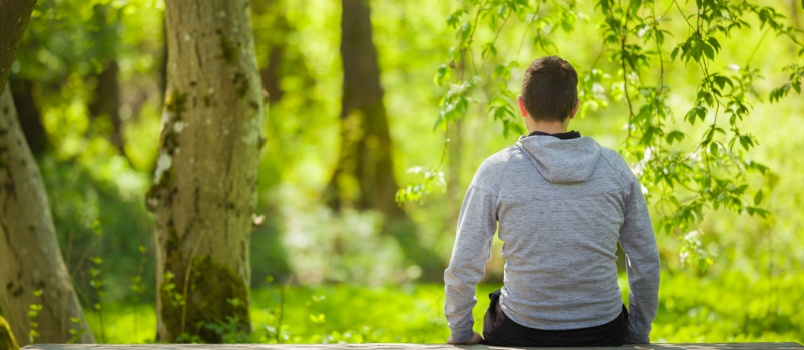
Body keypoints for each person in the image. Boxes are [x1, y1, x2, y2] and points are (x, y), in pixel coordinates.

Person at [444, 55, 660, 347]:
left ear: (521, 105)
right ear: (575, 107)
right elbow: (645, 260)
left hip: (521, 330)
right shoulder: (614, 168)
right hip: (602, 329)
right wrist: (637, 333)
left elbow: (464, 263)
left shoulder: (498, 170)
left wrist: (460, 332)